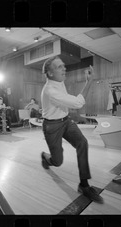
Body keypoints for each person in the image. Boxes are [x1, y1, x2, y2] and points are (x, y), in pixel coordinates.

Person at [40, 56, 103, 203]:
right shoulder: (50, 90)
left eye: (63, 66)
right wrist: (89, 81)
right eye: (59, 67)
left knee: (82, 142)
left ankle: (84, 185)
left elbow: (70, 101)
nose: (64, 68)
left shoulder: (59, 81)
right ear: (49, 73)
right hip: (52, 126)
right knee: (58, 162)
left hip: (66, 121)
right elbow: (78, 103)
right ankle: (46, 157)